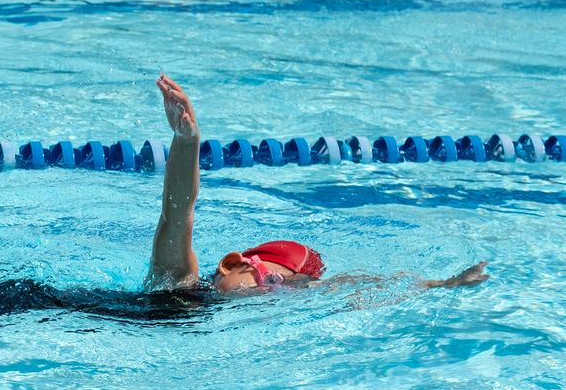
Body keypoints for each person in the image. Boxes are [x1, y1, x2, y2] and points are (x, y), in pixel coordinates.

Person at [148, 75, 489, 293]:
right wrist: (187, 139)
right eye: (273, 280)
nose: (273, 294)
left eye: (286, 290)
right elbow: (178, 212)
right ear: (231, 263)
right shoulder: (178, 280)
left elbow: (357, 285)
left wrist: (445, 284)